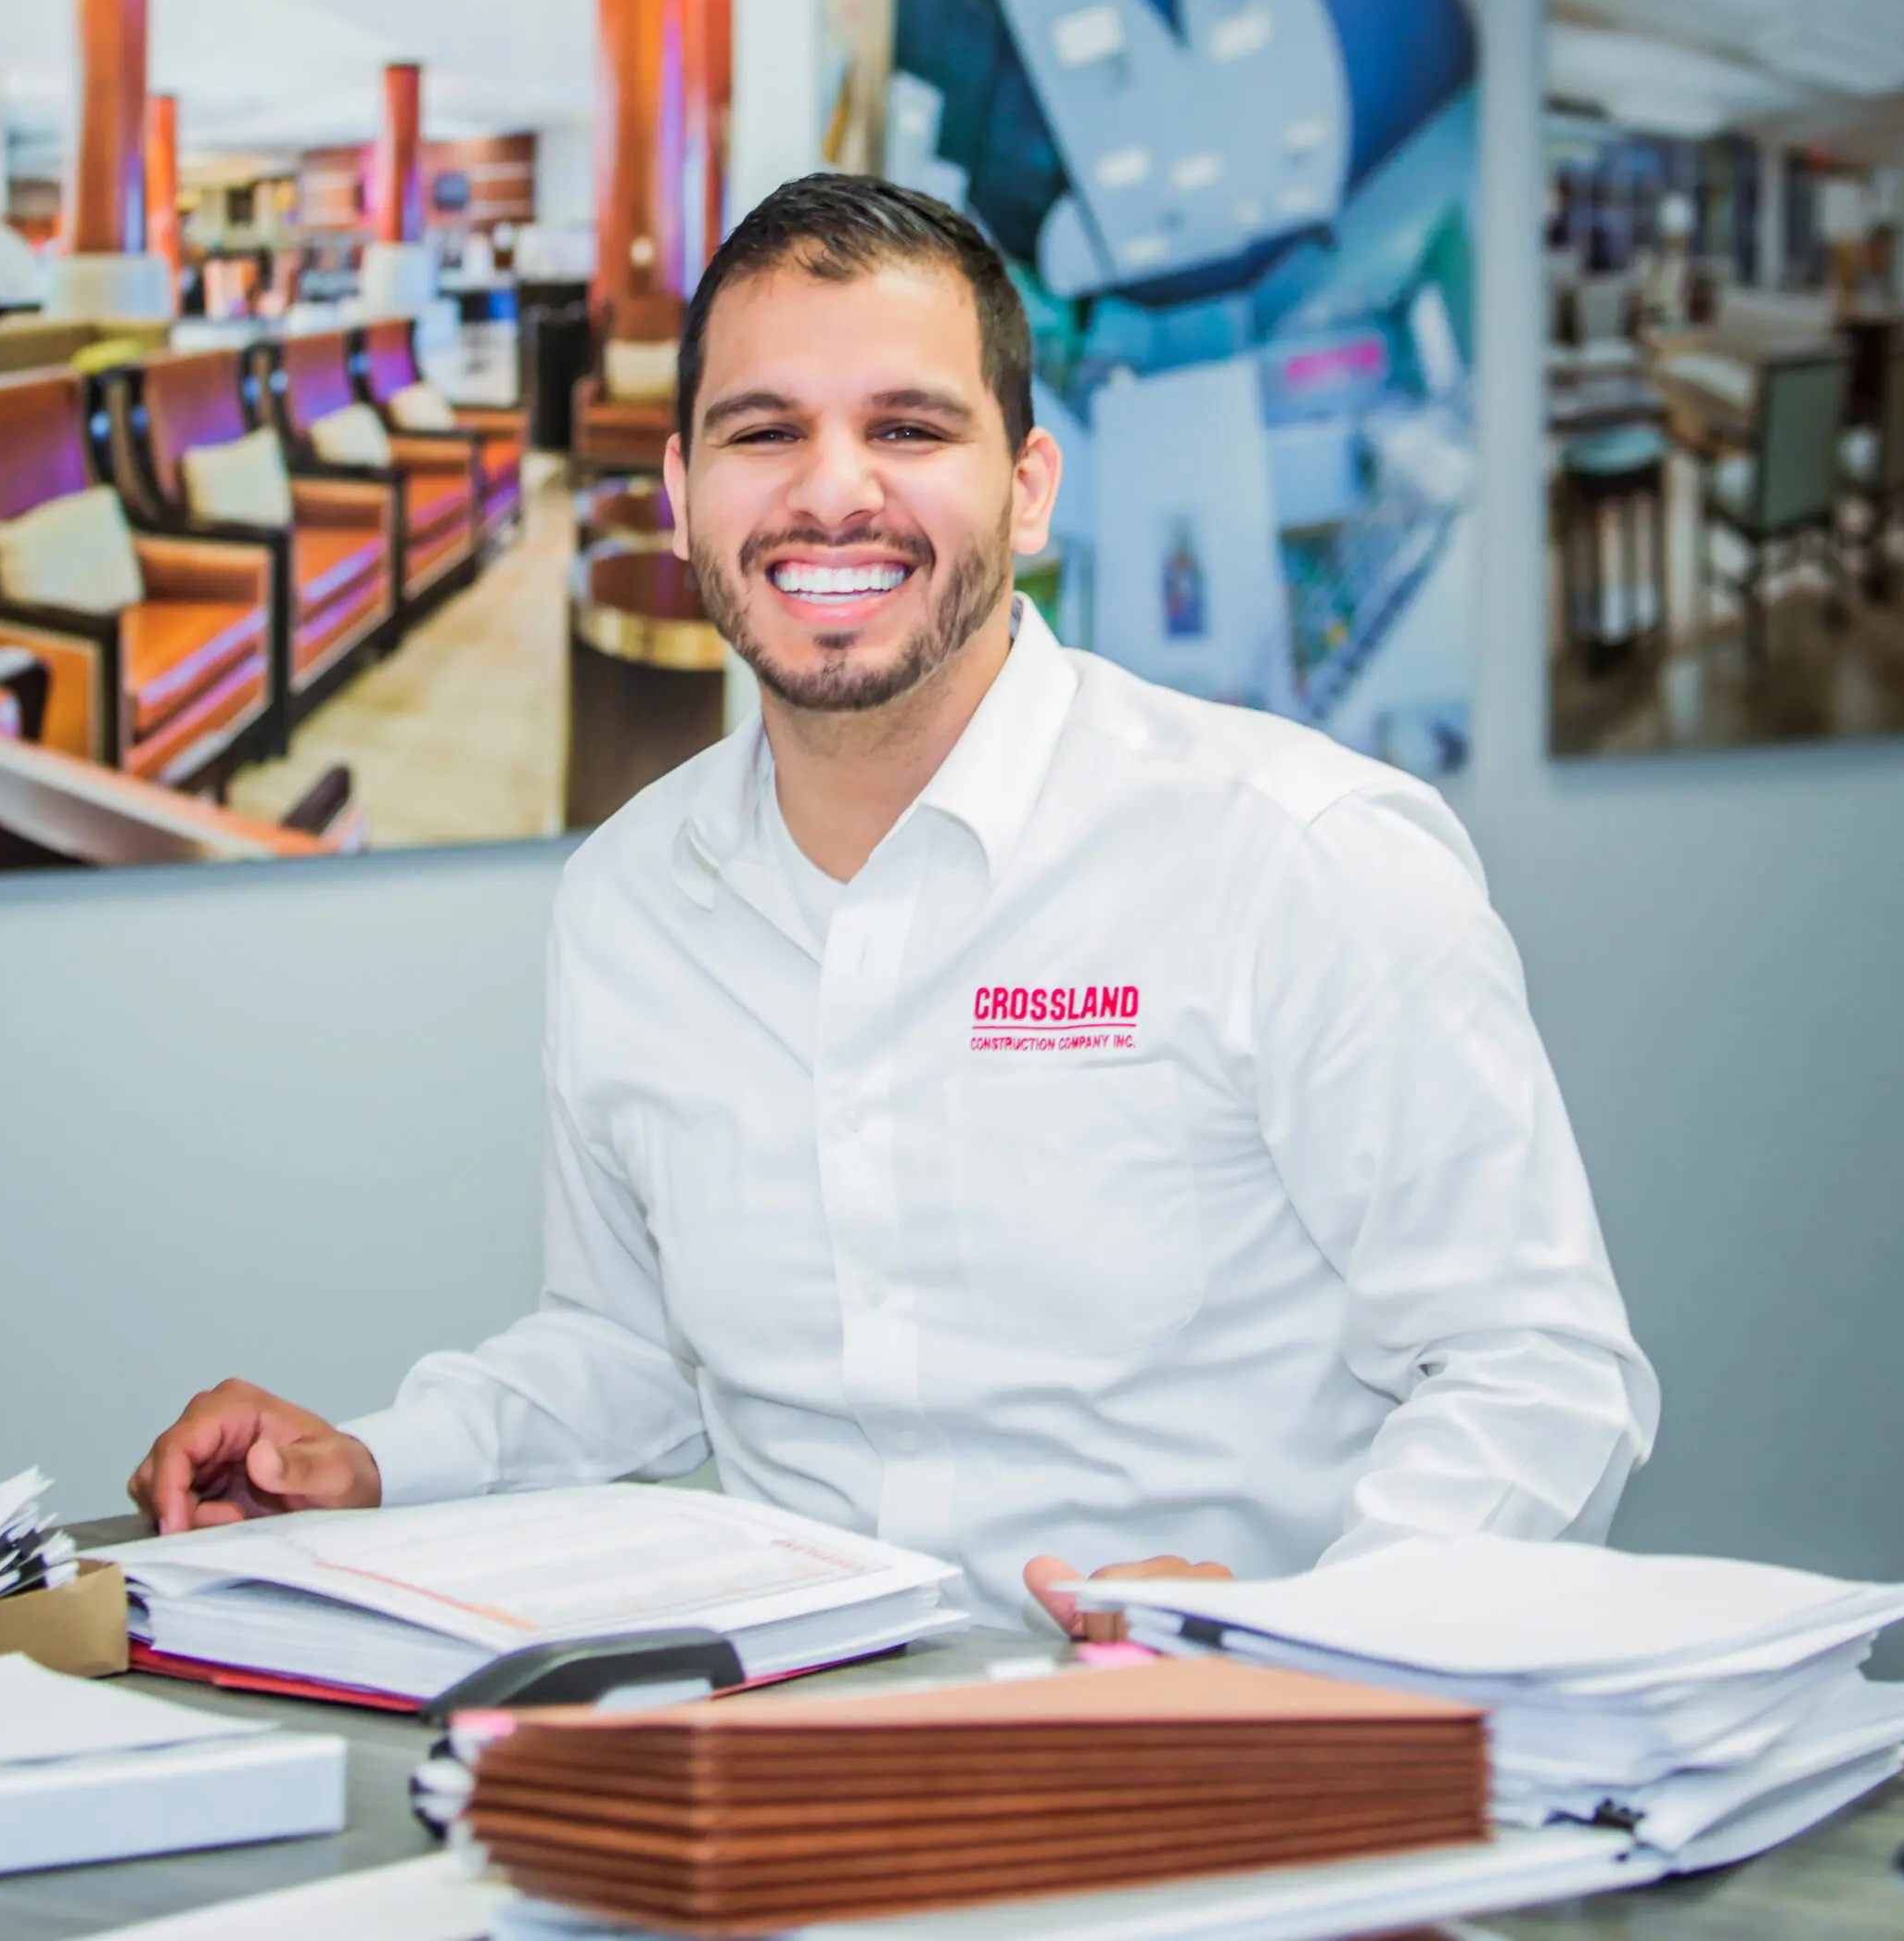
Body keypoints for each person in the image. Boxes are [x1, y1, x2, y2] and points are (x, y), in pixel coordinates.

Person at [131, 173, 1658, 1637]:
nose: (832, 490)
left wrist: (1323, 1642)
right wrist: (370, 1466)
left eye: (910, 425)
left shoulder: (1297, 856)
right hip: (813, 1752)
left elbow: (1536, 1370)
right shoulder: (627, 903)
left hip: (1229, 1786)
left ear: (1031, 486)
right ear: (680, 496)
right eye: (762, 431)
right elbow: (630, 1349)